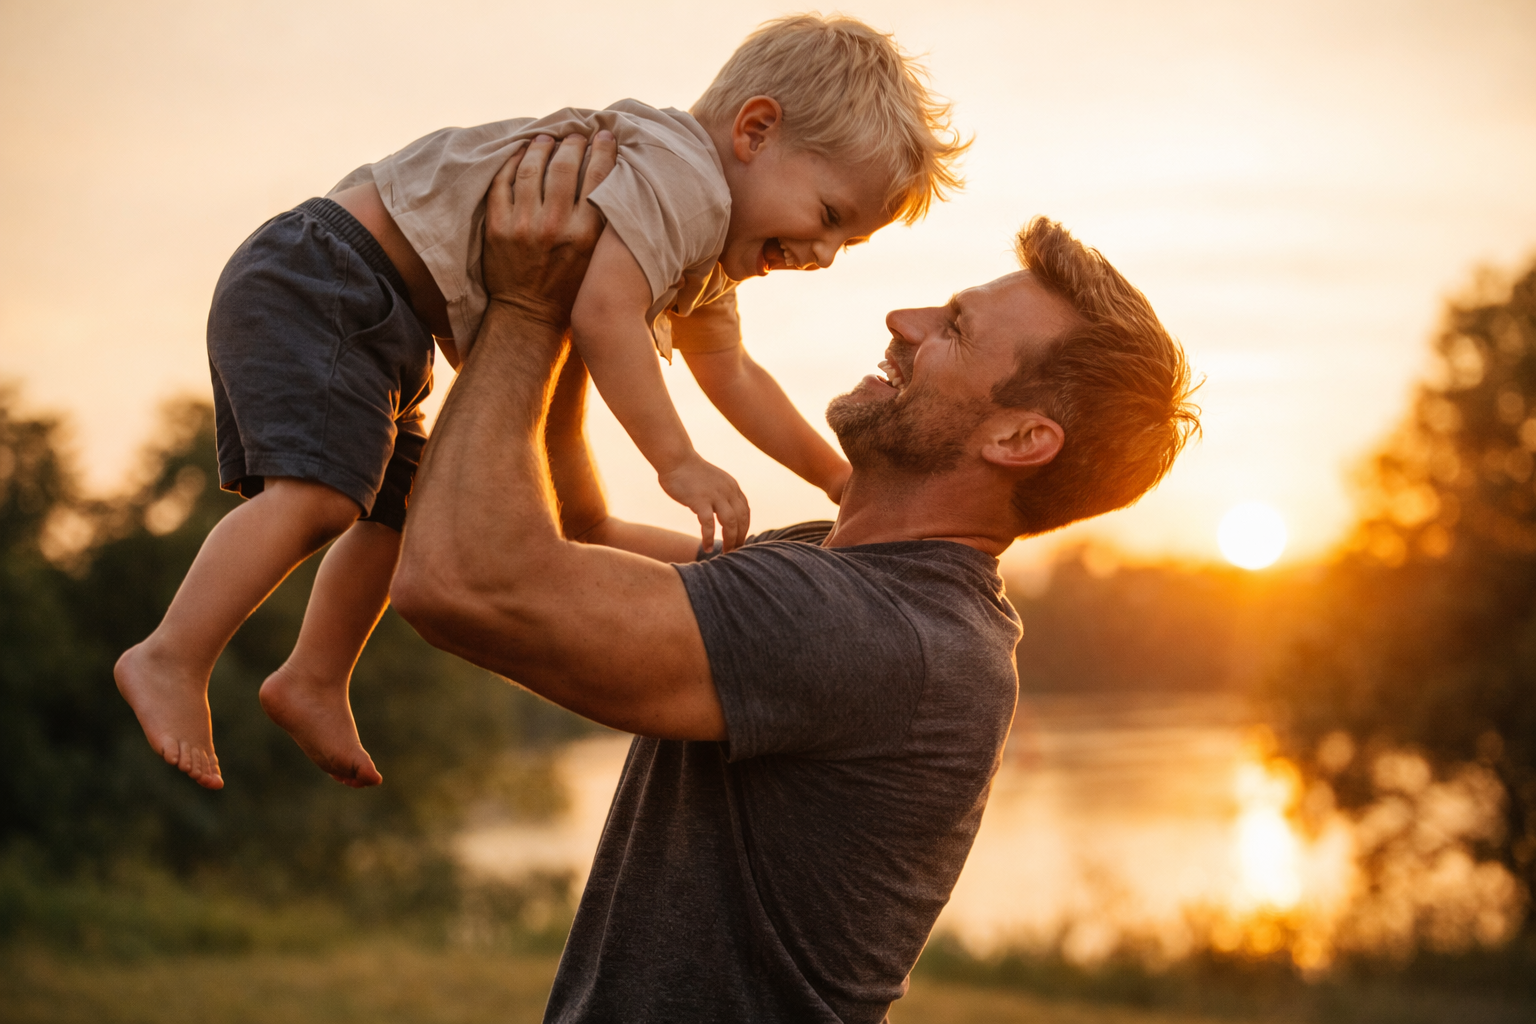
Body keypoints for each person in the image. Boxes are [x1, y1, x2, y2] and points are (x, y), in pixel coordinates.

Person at [391, 133, 1200, 1021]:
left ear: (1016, 439)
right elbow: (578, 532)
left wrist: (523, 305)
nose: (905, 321)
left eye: (954, 330)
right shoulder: (829, 563)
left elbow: (463, 580)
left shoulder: (882, 633)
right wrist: (589, 307)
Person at [114, 14, 967, 791]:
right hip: (330, 274)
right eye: (828, 215)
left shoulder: (705, 248)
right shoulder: (683, 180)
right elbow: (601, 317)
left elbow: (731, 370)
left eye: (844, 242)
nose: (821, 253)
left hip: (387, 319)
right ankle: (171, 655)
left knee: (398, 510)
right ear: (755, 130)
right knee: (319, 498)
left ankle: (312, 675)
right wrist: (676, 459)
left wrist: (835, 480)